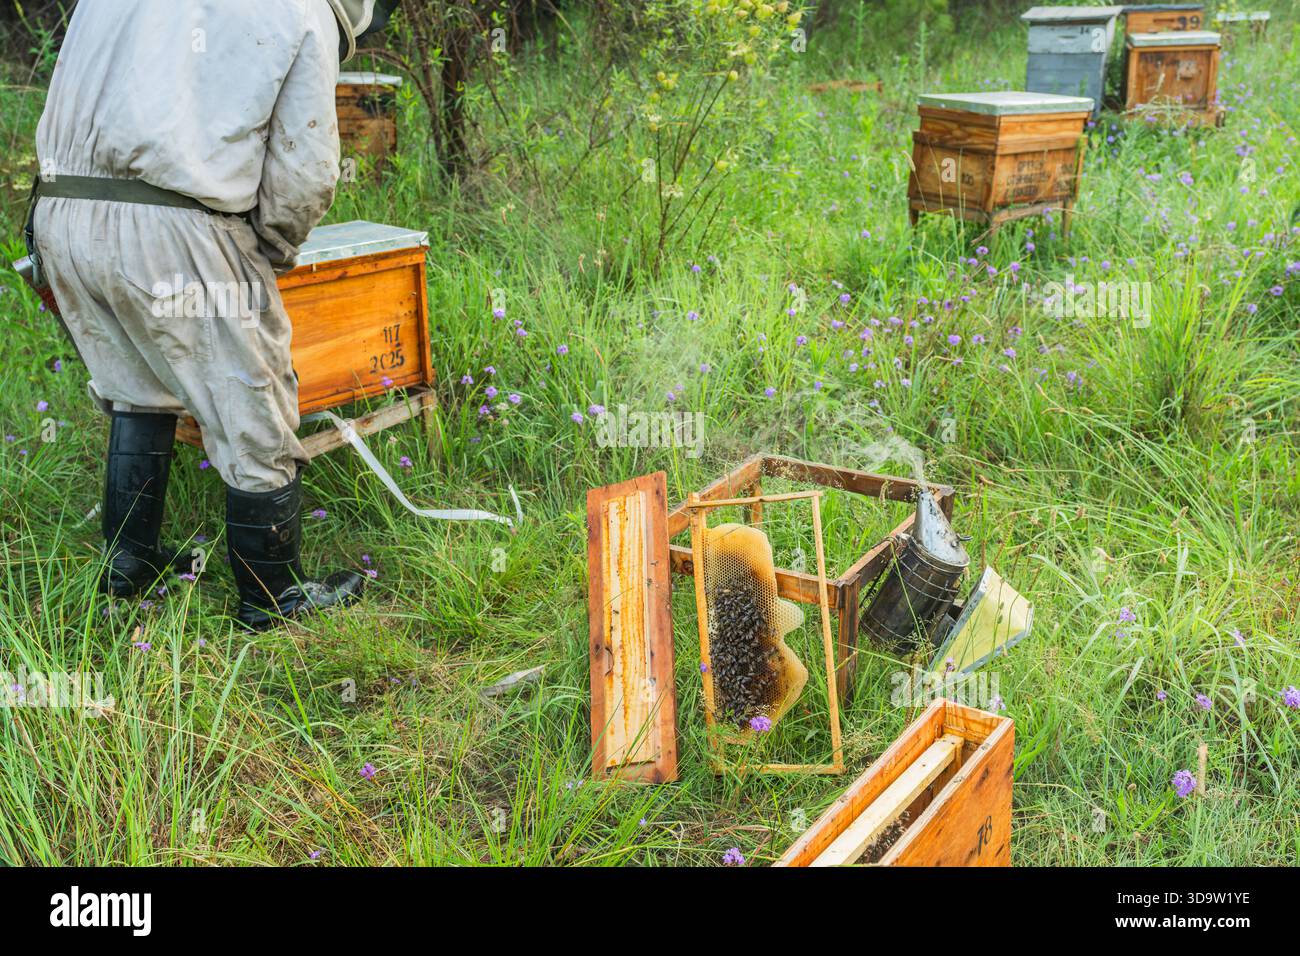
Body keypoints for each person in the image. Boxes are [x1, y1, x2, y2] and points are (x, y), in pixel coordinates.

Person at [29, 0, 398, 629]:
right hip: (172, 224)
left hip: (61, 213)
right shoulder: (306, 10)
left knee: (135, 388)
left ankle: (129, 567)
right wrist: (270, 250)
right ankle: (272, 597)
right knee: (252, 407)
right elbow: (305, 170)